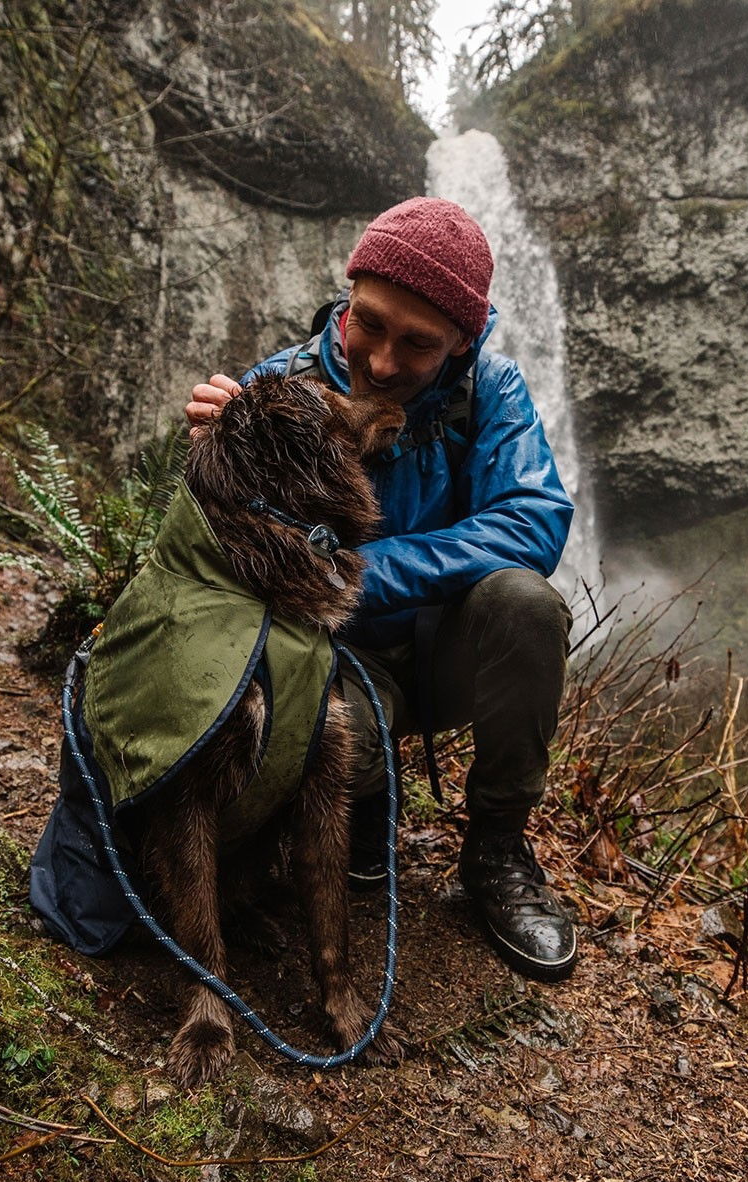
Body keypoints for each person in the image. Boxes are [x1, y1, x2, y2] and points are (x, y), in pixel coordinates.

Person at [186, 197, 578, 981]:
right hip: (324, 665)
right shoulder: (277, 387)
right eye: (369, 324)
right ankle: (366, 806)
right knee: (343, 749)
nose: (387, 363)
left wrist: (360, 572)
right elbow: (223, 560)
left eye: (419, 343)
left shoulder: (492, 393)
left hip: (441, 656)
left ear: (465, 340)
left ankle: (496, 849)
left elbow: (535, 519)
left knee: (528, 606)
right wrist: (214, 458)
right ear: (349, 288)